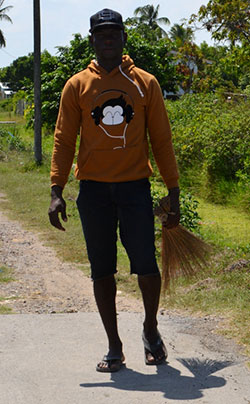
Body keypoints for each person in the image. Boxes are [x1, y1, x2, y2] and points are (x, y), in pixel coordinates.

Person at [48, 8, 180, 373]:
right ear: (92, 39)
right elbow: (63, 140)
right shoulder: (76, 85)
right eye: (101, 34)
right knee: (101, 270)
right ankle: (114, 345)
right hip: (93, 192)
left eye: (114, 33)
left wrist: (173, 190)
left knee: (146, 267)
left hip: (135, 188)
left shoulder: (144, 83)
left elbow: (162, 140)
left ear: (123, 37)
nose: (108, 39)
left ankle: (150, 329)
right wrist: (56, 188)